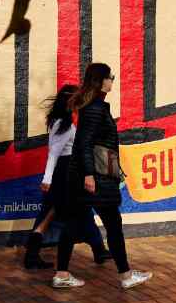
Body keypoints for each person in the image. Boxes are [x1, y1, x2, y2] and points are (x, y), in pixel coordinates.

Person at [53, 63, 153, 290]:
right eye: (111, 77)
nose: (113, 81)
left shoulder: (93, 106)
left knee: (72, 224)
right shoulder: (95, 108)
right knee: (113, 224)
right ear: (100, 81)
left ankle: (62, 274)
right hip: (94, 178)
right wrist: (89, 175)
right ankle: (126, 276)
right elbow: (84, 143)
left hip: (86, 176)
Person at [23, 84, 112, 270]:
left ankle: (32, 255)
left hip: (66, 171)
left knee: (51, 213)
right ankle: (97, 251)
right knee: (80, 211)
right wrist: (47, 179)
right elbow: (54, 153)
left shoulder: (62, 121)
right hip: (66, 173)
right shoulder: (63, 124)